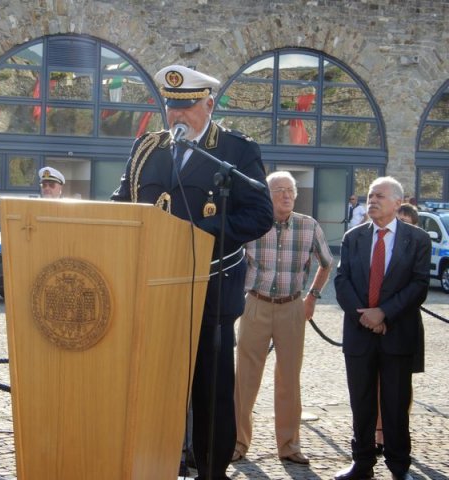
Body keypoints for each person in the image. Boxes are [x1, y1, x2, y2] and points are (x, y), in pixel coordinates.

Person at [111, 64, 273, 480]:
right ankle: (152, 465)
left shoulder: (235, 151)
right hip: (152, 288)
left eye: (186, 107)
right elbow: (121, 200)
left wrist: (202, 236)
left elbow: (260, 215)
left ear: (208, 104)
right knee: (153, 386)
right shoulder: (147, 147)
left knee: (210, 390)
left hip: (210, 289)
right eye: (171, 106)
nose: (177, 115)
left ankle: (211, 471)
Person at [334, 176, 430, 480]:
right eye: (369, 196)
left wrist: (384, 314)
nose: (371, 201)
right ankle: (362, 463)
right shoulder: (353, 237)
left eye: (379, 196)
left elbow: (419, 285)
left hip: (397, 334)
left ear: (397, 202)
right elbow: (342, 281)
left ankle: (399, 466)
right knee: (361, 402)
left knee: (396, 403)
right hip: (360, 334)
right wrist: (366, 316)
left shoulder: (417, 239)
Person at [233, 171, 333, 465]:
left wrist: (312, 296)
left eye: (290, 190)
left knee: (289, 378)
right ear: (268, 195)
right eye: (279, 190)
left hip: (292, 307)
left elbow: (326, 263)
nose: (287, 195)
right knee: (245, 378)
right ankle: (238, 442)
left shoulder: (308, 225)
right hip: (256, 304)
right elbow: (234, 259)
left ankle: (289, 445)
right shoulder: (254, 224)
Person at [373, 202, 424, 454]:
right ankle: (380, 431)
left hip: (406, 321)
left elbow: (418, 284)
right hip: (374, 319)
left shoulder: (417, 243)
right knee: (377, 380)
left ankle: (397, 430)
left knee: (402, 383)